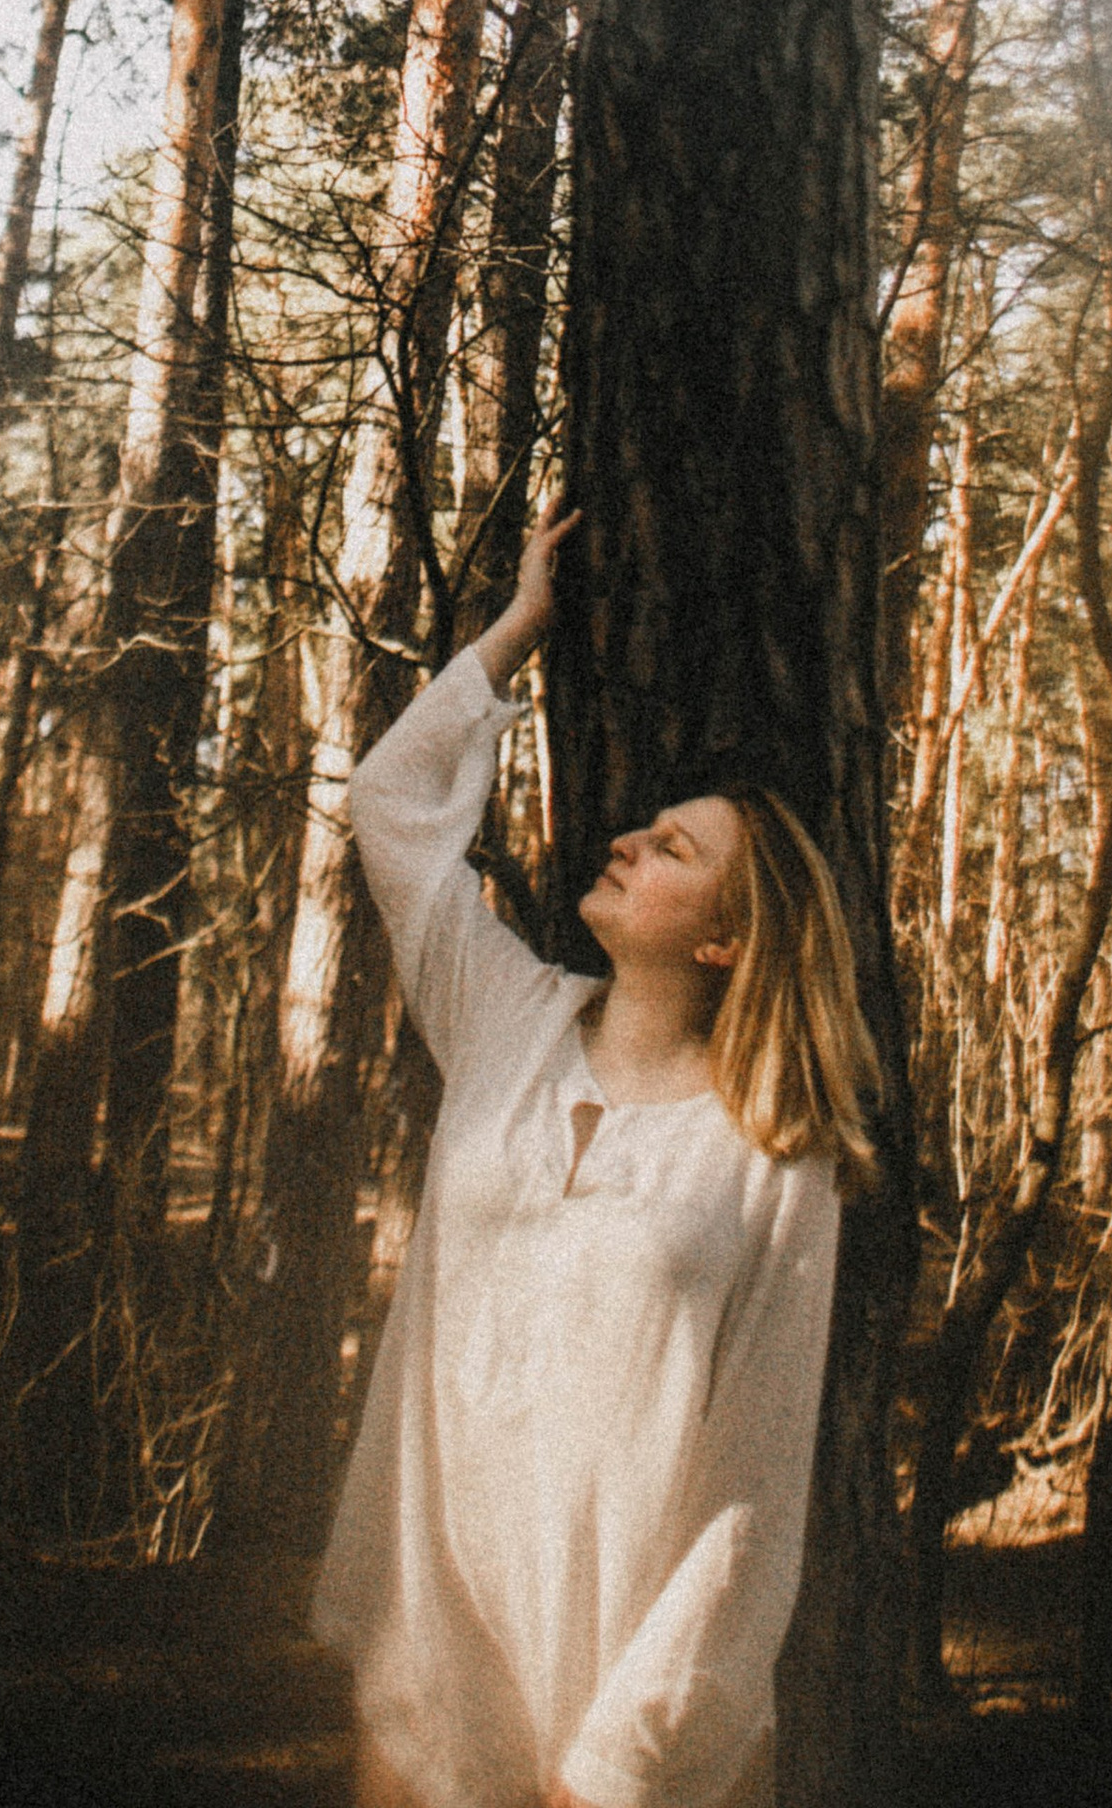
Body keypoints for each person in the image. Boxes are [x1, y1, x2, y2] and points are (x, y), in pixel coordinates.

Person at [313, 506, 880, 1808]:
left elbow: (750, 1498)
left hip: (631, 1710)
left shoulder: (772, 1159)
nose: (625, 839)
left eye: (672, 848)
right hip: (433, 1669)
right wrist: (519, 630)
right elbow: (392, 810)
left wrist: (624, 1763)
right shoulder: (506, 1019)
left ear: (728, 941)